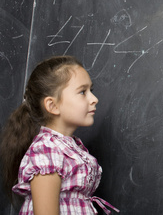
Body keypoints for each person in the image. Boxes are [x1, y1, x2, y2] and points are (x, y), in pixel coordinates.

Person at [0, 56, 119, 215]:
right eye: (83, 92)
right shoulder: (47, 150)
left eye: (91, 90)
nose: (94, 99)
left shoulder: (68, 147)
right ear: (53, 105)